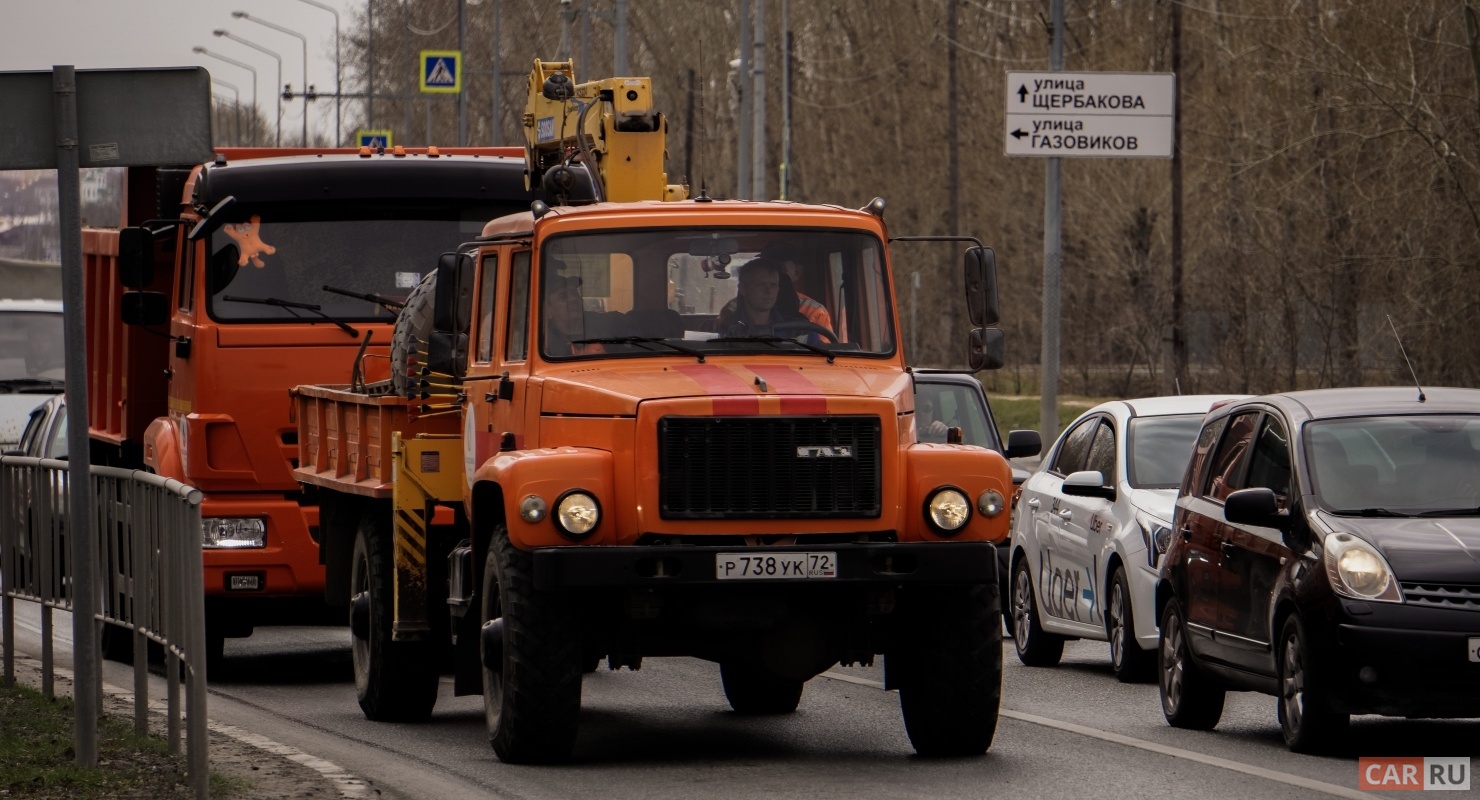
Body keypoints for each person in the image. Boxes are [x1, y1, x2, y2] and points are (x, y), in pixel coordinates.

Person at [715, 244, 834, 332]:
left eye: (778, 268)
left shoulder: (814, 312)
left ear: (797, 272)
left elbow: (824, 359)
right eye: (764, 265)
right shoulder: (730, 312)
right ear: (743, 288)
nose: (768, 289)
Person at [712, 258, 807, 335]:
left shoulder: (797, 330)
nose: (769, 290)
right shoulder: (729, 329)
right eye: (761, 285)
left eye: (773, 285)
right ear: (743, 289)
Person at [543, 274, 604, 355]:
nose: (574, 299)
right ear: (548, 310)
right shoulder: (544, 343)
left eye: (575, 293)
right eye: (563, 296)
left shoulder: (603, 323)